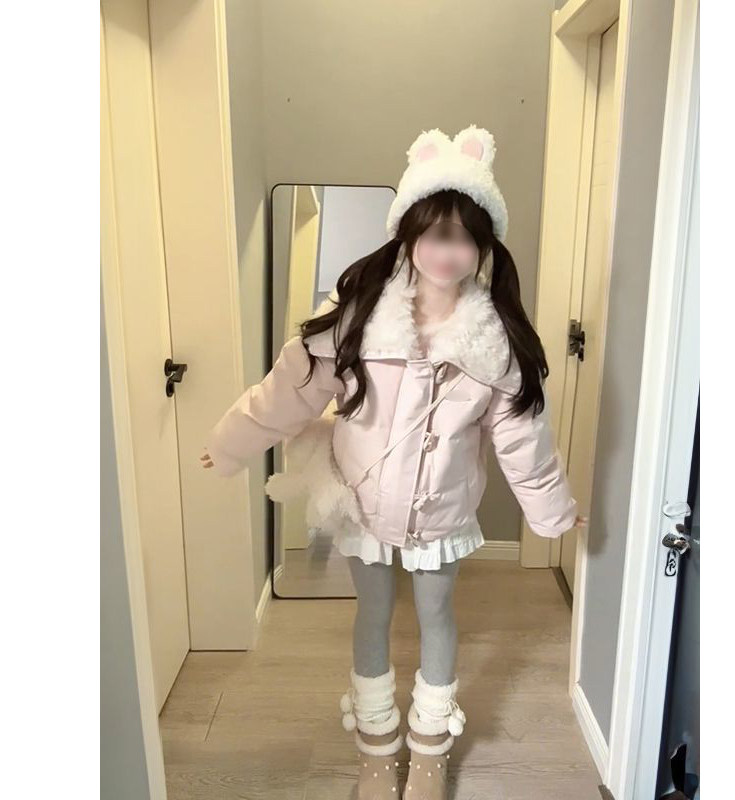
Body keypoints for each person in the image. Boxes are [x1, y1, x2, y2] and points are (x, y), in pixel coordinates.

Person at [201, 124, 588, 800]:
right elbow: (289, 390)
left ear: (484, 246)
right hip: (363, 501)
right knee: (372, 614)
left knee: (437, 617)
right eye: (435, 234)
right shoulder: (355, 316)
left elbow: (523, 437)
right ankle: (376, 748)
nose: (448, 251)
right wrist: (231, 442)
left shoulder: (495, 342)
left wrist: (553, 512)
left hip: (442, 509)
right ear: (408, 234)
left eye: (464, 237)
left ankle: (430, 748)